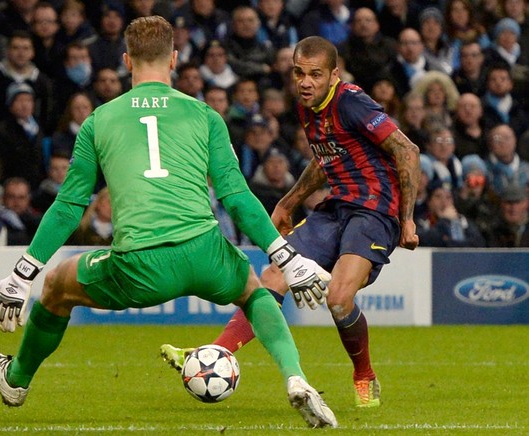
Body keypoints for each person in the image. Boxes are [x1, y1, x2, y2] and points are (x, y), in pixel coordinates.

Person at [0, 16, 337, 429]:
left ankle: (16, 379)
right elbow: (236, 196)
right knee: (254, 293)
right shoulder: (205, 116)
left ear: (127, 61)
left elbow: (70, 206)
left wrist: (24, 274)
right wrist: (286, 257)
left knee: (56, 284)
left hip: (140, 266)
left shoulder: (99, 120)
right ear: (175, 59)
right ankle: (295, 378)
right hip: (205, 253)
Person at [160, 36, 421, 409]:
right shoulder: (309, 108)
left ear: (334, 74)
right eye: (299, 72)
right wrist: (288, 201)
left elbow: (406, 149)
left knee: (339, 298)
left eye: (315, 74)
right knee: (271, 277)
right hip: (333, 210)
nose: (305, 82)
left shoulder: (351, 102)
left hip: (374, 213)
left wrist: (407, 219)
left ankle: (364, 374)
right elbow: (325, 159)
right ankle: (214, 354)